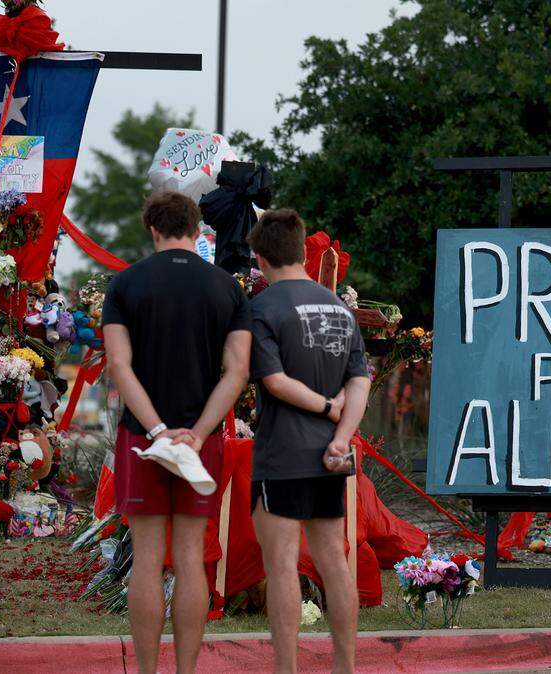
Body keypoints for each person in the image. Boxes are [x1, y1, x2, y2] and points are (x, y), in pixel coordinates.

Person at [101, 189, 251, 674]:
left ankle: (147, 671)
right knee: (189, 557)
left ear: (152, 228)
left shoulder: (126, 285)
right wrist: (199, 431)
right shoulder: (227, 288)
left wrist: (158, 429)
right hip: (200, 440)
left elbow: (120, 368)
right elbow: (237, 372)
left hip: (143, 437)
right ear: (197, 229)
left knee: (146, 559)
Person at [246, 208, 371, 674]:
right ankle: (345, 667)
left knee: (281, 567)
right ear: (302, 251)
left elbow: (274, 381)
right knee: (334, 563)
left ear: (260, 259)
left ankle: (286, 670)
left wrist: (323, 407)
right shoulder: (339, 307)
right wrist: (341, 437)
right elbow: (359, 381)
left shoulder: (262, 309)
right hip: (330, 459)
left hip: (282, 454)